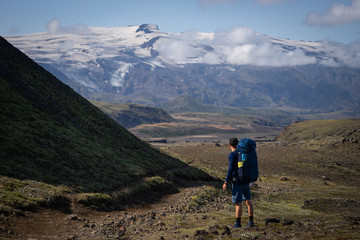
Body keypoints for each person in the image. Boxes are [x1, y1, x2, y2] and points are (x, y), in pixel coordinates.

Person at [222, 137, 255, 228]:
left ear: (229, 145)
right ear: (238, 144)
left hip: (237, 182)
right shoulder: (243, 153)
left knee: (238, 203)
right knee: (248, 201)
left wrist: (226, 182)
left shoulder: (232, 155)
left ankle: (237, 223)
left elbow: (230, 169)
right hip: (246, 180)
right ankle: (251, 221)